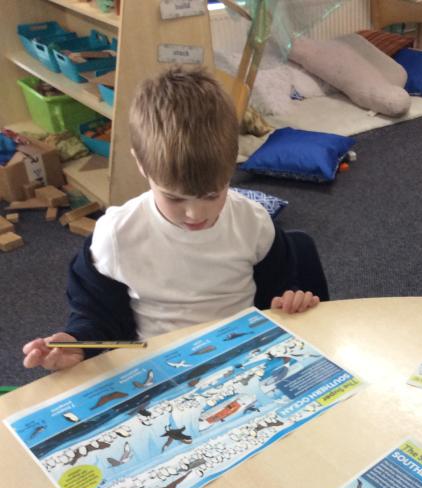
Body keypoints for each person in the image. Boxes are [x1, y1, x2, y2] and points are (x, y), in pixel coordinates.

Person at [23, 67, 327, 371]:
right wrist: (77, 343)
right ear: (142, 164)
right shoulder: (116, 237)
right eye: (174, 198)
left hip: (243, 360)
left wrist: (289, 300)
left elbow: (278, 292)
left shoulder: (253, 222)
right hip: (163, 370)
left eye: (212, 195)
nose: (195, 214)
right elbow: (97, 318)